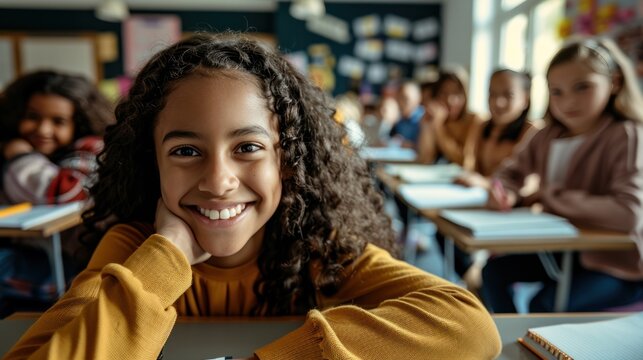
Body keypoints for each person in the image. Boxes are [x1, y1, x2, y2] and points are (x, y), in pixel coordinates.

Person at [5, 33, 501, 359]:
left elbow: (469, 327)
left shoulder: (319, 250)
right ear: (150, 161)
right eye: (185, 150)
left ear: (288, 160)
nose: (219, 179)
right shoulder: (137, 248)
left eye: (247, 147)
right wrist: (167, 256)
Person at [482, 36, 643, 313]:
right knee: (493, 273)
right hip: (564, 252)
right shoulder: (548, 134)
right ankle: (508, 347)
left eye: (583, 87)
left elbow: (628, 212)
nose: (568, 101)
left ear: (614, 83)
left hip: (621, 266)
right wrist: (504, 191)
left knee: (543, 304)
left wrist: (549, 195)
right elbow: (509, 173)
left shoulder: (627, 135)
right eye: (557, 91)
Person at [0, 70, 114, 317]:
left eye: (58, 121)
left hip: (75, 268)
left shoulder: (92, 148)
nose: (43, 129)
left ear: (80, 122)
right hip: (30, 254)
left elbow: (66, 190)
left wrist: (21, 156)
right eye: (32, 117)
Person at [417, 66, 483, 165]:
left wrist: (439, 128)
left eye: (456, 93)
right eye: (443, 93)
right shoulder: (438, 118)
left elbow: (465, 162)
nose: (450, 100)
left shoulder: (475, 120)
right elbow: (425, 159)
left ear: (465, 95)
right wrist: (426, 126)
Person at [388, 80, 424, 148]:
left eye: (406, 99)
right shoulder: (399, 119)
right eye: (399, 98)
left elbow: (425, 146)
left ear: (418, 98)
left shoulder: (424, 118)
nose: (402, 102)